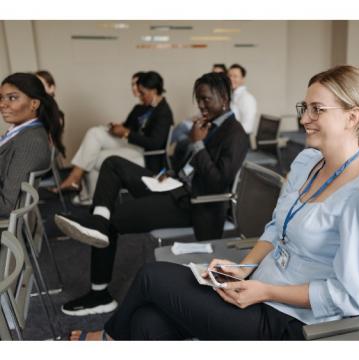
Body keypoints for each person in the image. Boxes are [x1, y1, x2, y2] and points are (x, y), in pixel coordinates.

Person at [68, 65, 359, 340]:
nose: (304, 119)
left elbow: (349, 297)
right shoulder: (307, 163)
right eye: (305, 108)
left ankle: (102, 342)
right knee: (147, 324)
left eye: (318, 109)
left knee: (151, 277)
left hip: (291, 322)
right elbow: (276, 229)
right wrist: (243, 267)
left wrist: (265, 291)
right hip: (257, 288)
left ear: (352, 117)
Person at [54, 72, 249, 316]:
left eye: (206, 99)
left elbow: (218, 183)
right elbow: (184, 165)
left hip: (194, 204)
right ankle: (98, 219)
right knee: (114, 163)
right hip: (174, 186)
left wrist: (198, 144)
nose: (201, 105)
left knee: (114, 222)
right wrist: (177, 161)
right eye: (198, 99)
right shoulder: (208, 125)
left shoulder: (236, 134)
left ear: (224, 98)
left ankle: (99, 294)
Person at [55, 71, 173, 201]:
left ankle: (90, 196)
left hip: (146, 154)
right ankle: (76, 179)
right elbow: (129, 126)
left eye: (143, 93)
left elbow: (155, 143)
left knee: (95, 156)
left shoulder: (163, 112)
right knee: (95, 132)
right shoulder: (141, 107)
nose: (139, 96)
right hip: (132, 144)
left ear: (154, 91)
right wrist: (117, 128)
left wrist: (126, 133)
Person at [0, 72, 64, 217]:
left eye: (12, 98)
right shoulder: (22, 132)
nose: (2, 104)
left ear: (34, 104)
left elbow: (6, 205)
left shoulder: (30, 142)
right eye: (1, 98)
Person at [228, 63, 257, 135]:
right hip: (233, 137)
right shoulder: (232, 96)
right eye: (229, 76)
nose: (231, 79)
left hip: (240, 139)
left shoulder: (247, 98)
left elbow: (248, 127)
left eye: (235, 76)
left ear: (242, 79)